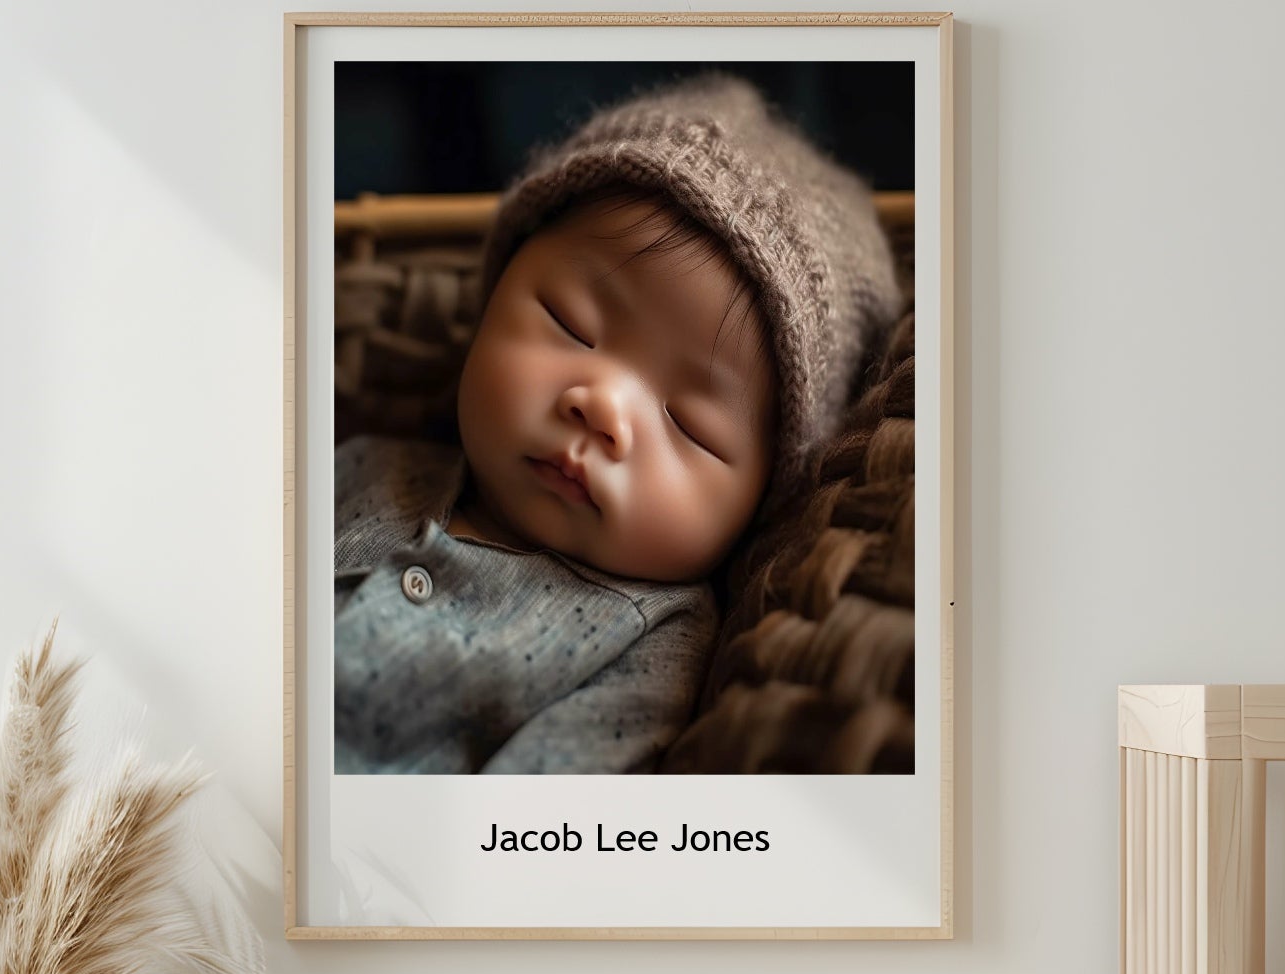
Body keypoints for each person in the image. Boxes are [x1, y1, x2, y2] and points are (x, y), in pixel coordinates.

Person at [334, 74, 901, 774]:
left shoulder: (652, 648)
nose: (603, 407)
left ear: (760, 504)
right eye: (569, 324)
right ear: (493, 296)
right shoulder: (363, 465)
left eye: (691, 426)